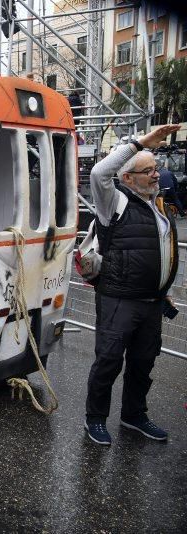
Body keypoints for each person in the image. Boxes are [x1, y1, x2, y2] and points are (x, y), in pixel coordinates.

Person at [84, 124, 181, 446]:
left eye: (156, 169)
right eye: (147, 171)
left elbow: (161, 253)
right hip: (118, 300)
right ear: (128, 178)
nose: (156, 176)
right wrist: (139, 144)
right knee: (109, 362)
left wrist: (164, 291)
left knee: (144, 363)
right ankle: (95, 420)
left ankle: (133, 415)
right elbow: (99, 173)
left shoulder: (157, 206)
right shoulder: (115, 203)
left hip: (151, 302)